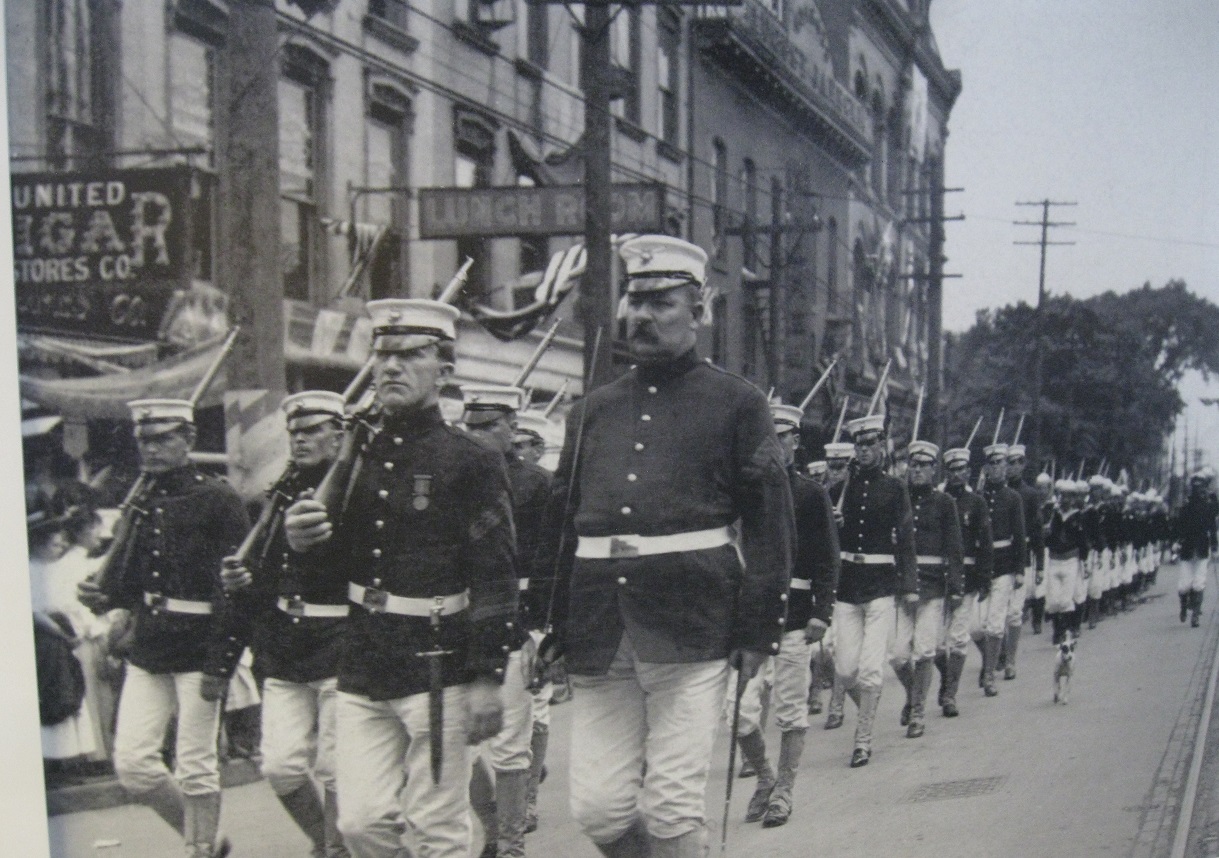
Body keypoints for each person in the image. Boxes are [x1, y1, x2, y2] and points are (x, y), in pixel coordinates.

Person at [533, 235, 794, 857]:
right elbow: (561, 524)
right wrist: (548, 625)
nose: (641, 314)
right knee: (598, 811)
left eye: (662, 302)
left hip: (694, 624)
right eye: (634, 298)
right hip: (598, 627)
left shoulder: (738, 403)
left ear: (698, 311)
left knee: (674, 809)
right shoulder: (592, 410)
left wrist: (761, 630)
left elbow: (770, 525)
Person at [283, 300, 518, 858]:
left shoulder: (472, 461)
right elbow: (329, 571)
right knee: (361, 824)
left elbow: (496, 574)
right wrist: (303, 542)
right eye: (382, 354)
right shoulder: (354, 456)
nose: (390, 367)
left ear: (444, 370)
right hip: (364, 661)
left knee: (438, 831)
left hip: (440, 664)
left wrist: (489, 675)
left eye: (410, 355)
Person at [76, 398, 250, 858]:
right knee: (133, 765)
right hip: (150, 645)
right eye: (143, 440)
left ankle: (199, 848)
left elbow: (238, 589)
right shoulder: (143, 498)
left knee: (196, 763)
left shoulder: (218, 497)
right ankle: (209, 842)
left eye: (162, 439)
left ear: (189, 439)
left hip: (200, 645)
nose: (150, 449)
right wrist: (103, 594)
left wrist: (222, 661)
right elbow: (135, 577)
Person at [218, 390, 350, 858]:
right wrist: (244, 577)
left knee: (337, 767)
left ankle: (337, 848)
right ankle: (325, 840)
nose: (300, 439)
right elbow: (270, 574)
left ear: (340, 434)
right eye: (294, 431)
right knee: (280, 766)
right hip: (286, 648)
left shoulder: (356, 487)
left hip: (342, 641)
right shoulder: (280, 493)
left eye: (313, 429)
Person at [731, 402, 839, 828]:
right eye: (768, 438)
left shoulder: (812, 494)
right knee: (736, 713)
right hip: (750, 618)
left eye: (784, 437)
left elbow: (828, 559)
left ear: (795, 442)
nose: (776, 445)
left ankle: (784, 793)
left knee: (791, 710)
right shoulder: (742, 494)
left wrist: (822, 611)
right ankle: (764, 776)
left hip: (796, 615)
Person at [462, 383, 552, 858]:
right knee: (464, 750)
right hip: (459, 621)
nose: (475, 434)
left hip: (518, 619)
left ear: (512, 428)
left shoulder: (535, 483)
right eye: (469, 425)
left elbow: (551, 558)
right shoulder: (453, 475)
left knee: (510, 746)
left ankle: (511, 846)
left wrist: (542, 629)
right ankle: (493, 829)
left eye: (488, 426)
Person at [827, 414, 917, 768]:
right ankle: (868, 709)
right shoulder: (837, 491)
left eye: (871, 444)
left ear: (882, 446)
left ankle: (862, 740)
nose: (865, 451)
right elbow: (824, 543)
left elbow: (906, 541)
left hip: (881, 584)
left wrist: (909, 587)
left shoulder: (895, 489)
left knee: (869, 670)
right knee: (846, 669)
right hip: (847, 585)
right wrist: (833, 526)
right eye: (859, 445)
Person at [890, 441, 963, 738]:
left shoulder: (945, 503)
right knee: (896, 655)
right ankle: (913, 694)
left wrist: (956, 587)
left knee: (924, 651)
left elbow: (955, 548)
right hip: (901, 585)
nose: (917, 470)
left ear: (934, 469)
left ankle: (918, 711)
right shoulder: (899, 499)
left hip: (933, 586)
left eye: (923, 465)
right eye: (913, 464)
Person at [937, 447, 993, 717]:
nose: (957, 475)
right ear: (946, 472)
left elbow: (985, 543)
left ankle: (950, 694)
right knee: (935, 643)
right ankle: (946, 677)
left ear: (969, 471)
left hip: (967, 577)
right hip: (937, 577)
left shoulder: (977, 502)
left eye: (962, 469)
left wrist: (985, 579)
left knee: (958, 637)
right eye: (952, 470)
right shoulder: (937, 498)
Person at [970, 444, 1026, 698]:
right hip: (981, 566)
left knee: (994, 624)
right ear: (985, 468)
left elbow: (1020, 535)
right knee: (974, 628)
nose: (997, 469)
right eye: (992, 464)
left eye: (1002, 463)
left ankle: (989, 673)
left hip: (1004, 564)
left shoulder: (1013, 498)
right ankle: (993, 657)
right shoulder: (978, 498)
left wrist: (1020, 570)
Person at [1002, 444, 1043, 679]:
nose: (1012, 467)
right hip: (999, 559)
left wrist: (1040, 566)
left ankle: (1010, 660)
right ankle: (998, 653)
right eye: (1009, 462)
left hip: (1021, 557)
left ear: (1023, 464)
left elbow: (1037, 532)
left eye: (1017, 462)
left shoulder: (1030, 495)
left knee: (1014, 613)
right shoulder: (996, 491)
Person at [1044, 481, 1088, 643]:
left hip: (1071, 560)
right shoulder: (1053, 515)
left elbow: (1083, 541)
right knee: (1054, 599)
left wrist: (1084, 560)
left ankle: (1064, 629)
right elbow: (1047, 540)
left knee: (1066, 599)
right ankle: (1057, 628)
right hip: (1054, 560)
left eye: (1069, 496)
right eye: (1063, 496)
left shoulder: (1078, 516)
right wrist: (1047, 533)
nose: (1065, 500)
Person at [1175, 469, 1218, 628]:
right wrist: (1177, 542)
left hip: (1202, 548)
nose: (1199, 490)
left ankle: (1195, 616)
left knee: (1198, 583)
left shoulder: (1208, 506)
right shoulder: (1186, 507)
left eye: (1202, 487)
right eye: (1196, 487)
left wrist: (1214, 546)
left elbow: (1212, 526)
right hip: (1187, 548)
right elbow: (1179, 527)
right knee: (1184, 585)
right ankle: (1184, 606)